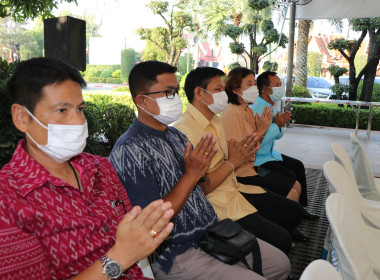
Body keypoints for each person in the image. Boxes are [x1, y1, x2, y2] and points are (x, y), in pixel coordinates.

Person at [110, 61, 291, 280]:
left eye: (175, 91)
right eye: (168, 92)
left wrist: (211, 170)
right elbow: (151, 222)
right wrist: (194, 174)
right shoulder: (130, 149)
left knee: (281, 265)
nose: (176, 98)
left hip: (213, 232)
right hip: (179, 250)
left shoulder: (175, 136)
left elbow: (202, 187)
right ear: (142, 101)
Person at [0, 57, 175, 280]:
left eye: (80, 109)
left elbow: (134, 235)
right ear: (22, 117)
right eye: (62, 110)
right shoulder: (8, 199)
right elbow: (126, 251)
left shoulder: (100, 168)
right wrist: (120, 257)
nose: (78, 121)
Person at [173, 67, 307, 253]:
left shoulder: (216, 120)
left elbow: (241, 154)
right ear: (199, 93)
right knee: (282, 239)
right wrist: (236, 159)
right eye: (218, 89)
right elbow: (202, 187)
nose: (223, 94)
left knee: (293, 211)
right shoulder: (185, 130)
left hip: (235, 187)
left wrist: (263, 132)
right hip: (220, 203)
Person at [221, 67, 301, 202]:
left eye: (254, 84)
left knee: (295, 181)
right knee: (291, 188)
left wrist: (272, 127)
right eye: (249, 84)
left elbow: (261, 141)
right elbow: (242, 150)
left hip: (253, 166)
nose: (254, 88)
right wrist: (264, 129)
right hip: (246, 171)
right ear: (235, 89)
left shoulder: (247, 110)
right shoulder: (232, 113)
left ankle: (299, 211)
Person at [250, 71, 319, 220]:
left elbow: (278, 136)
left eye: (280, 85)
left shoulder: (271, 107)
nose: (280, 88)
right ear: (265, 89)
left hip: (270, 155)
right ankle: (291, 211)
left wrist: (280, 125)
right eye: (277, 85)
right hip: (259, 159)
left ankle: (300, 209)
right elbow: (258, 139)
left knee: (298, 166)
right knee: (290, 175)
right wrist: (277, 125)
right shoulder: (255, 108)